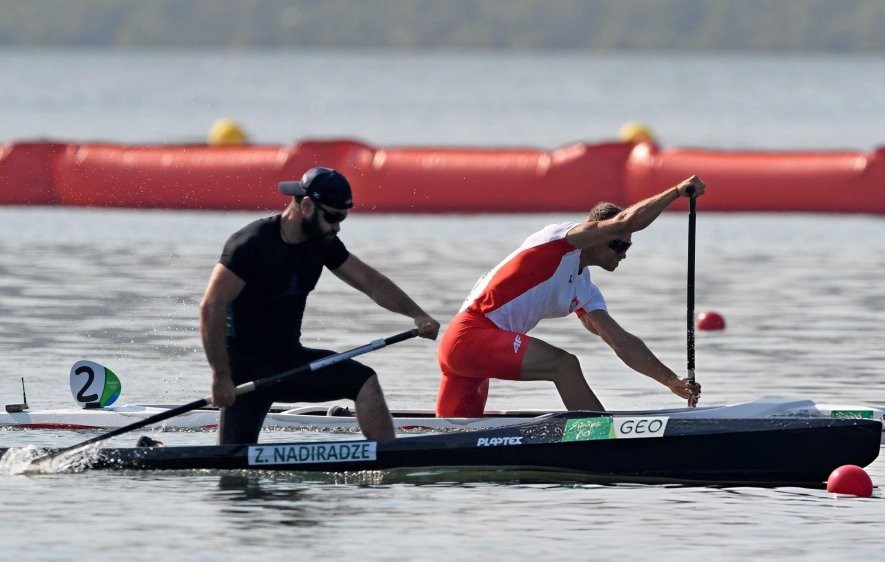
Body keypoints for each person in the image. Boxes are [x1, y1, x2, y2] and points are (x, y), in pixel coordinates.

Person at [201, 167, 440, 444]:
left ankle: (388, 458)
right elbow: (211, 306)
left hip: (291, 363)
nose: (337, 226)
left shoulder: (322, 243)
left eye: (342, 218)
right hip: (245, 374)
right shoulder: (251, 245)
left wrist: (416, 313)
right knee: (233, 464)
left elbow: (371, 282)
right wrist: (221, 376)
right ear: (305, 205)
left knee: (364, 380)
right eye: (332, 217)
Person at [436, 176, 705, 417]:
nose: (623, 253)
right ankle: (600, 439)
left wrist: (670, 380)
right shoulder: (557, 241)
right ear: (597, 235)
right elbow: (625, 222)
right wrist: (676, 192)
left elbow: (620, 341)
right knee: (564, 365)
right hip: (469, 335)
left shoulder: (584, 290)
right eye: (618, 244)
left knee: (447, 436)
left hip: (472, 352)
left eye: (627, 247)